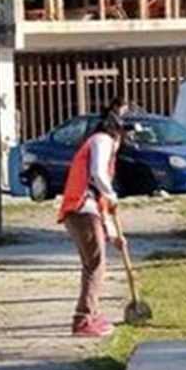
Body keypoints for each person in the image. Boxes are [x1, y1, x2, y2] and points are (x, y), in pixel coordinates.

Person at [55, 114, 126, 336]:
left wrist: (114, 235)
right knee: (95, 264)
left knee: (94, 264)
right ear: (117, 134)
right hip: (82, 210)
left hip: (85, 211)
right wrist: (112, 194)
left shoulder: (94, 144)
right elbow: (97, 174)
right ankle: (83, 319)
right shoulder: (102, 140)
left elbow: (101, 201)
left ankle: (92, 314)